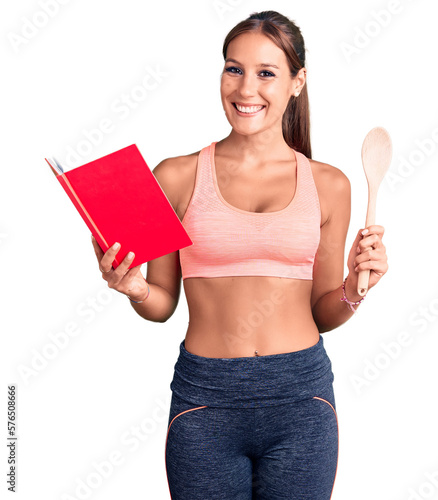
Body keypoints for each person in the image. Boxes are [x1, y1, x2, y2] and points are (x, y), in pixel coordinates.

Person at [91, 10, 388, 500]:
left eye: (266, 73)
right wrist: (137, 288)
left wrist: (358, 289)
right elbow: (162, 305)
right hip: (205, 401)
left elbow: (323, 311)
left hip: (301, 399)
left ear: (297, 83)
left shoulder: (329, 184)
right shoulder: (176, 176)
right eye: (234, 68)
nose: (246, 88)